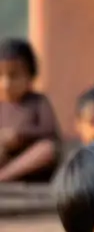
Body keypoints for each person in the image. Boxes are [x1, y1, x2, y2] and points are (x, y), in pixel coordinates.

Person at [0, 37, 60, 183]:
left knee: (47, 149)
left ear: (30, 77)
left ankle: (4, 177)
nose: (6, 83)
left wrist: (20, 136)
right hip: (5, 157)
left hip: (31, 163)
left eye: (14, 76)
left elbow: (49, 132)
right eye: (0, 76)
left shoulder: (38, 102)